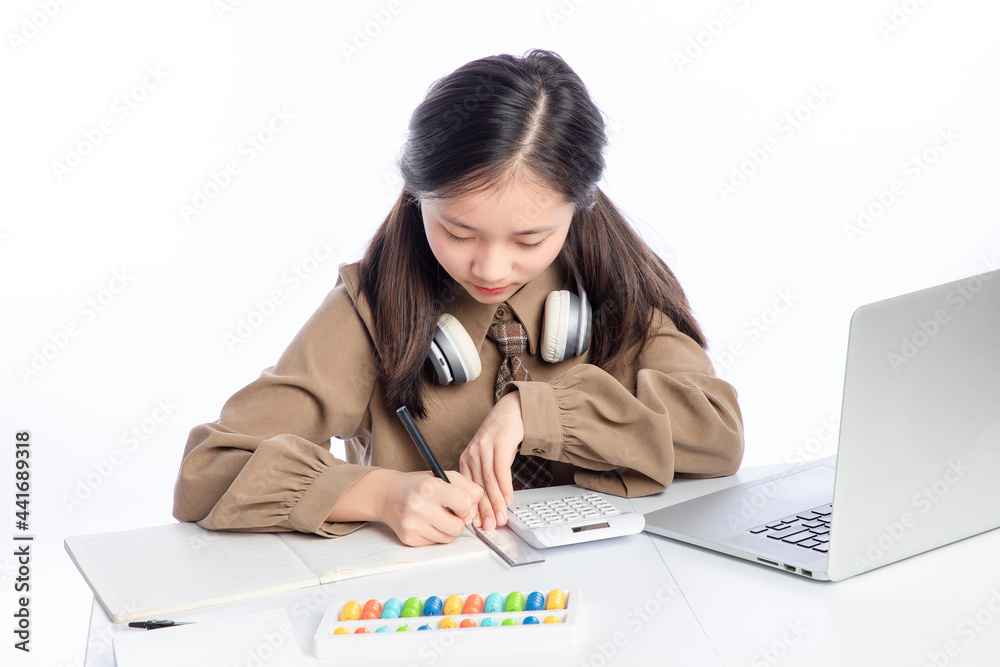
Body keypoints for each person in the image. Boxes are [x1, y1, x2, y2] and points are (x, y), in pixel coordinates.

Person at [172, 50, 744, 547]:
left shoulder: (618, 285)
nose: (491, 268)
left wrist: (538, 410)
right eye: (458, 232)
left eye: (530, 238)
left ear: (580, 204)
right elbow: (208, 471)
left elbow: (718, 435)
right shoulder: (370, 310)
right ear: (417, 196)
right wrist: (377, 494)